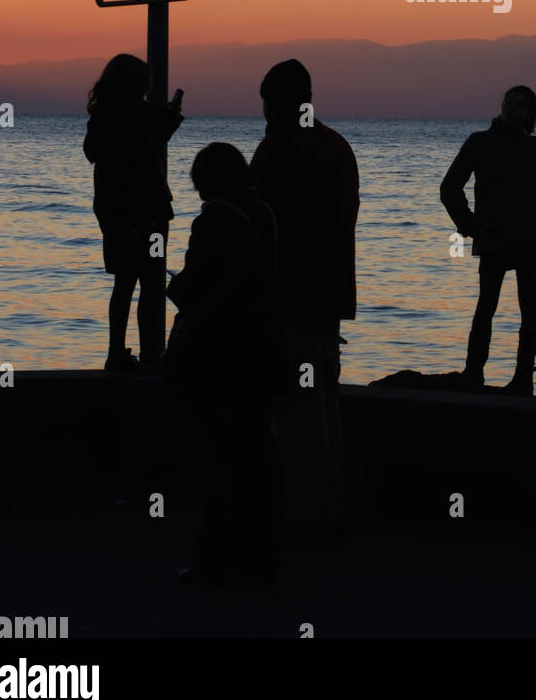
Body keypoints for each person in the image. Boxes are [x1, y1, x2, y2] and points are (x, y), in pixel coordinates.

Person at [249, 59, 359, 541]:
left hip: (289, 294)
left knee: (294, 406)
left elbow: (262, 224)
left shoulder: (277, 148)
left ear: (275, 102)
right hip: (329, 293)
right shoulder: (336, 145)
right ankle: (329, 505)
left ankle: (302, 510)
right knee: (325, 402)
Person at [164, 143, 284, 583]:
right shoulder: (264, 214)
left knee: (217, 457)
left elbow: (197, 286)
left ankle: (212, 561)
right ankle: (261, 558)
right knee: (257, 455)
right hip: (262, 349)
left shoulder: (213, 219)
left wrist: (173, 287)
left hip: (219, 354)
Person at [440, 85, 536, 397]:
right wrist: (468, 224)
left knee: (528, 305)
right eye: (509, 102)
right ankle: (474, 373)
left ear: (529, 113)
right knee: (486, 306)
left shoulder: (534, 147)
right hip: (493, 234)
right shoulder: (479, 142)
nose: (512, 108)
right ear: (501, 105)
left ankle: (523, 378)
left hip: (528, 235)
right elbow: (449, 188)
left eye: (520, 104)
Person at [83, 54, 183, 373]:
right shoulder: (126, 115)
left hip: (122, 212)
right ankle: (148, 355)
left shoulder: (112, 114)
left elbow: (96, 151)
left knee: (130, 282)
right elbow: (141, 147)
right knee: (147, 284)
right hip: (141, 211)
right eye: (141, 81)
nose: (145, 86)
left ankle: (123, 353)